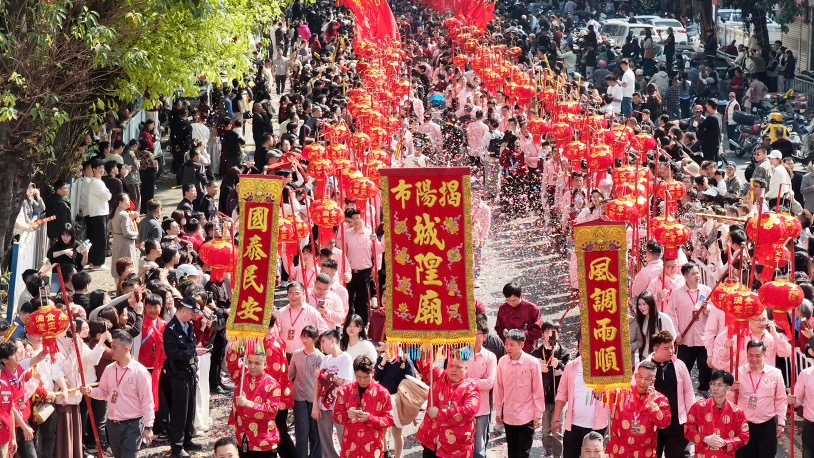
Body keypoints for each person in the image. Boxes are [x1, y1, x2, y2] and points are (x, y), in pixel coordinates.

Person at [81, 330, 154, 458]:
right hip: (113, 425)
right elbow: (103, 392)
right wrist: (90, 391)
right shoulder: (109, 369)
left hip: (133, 425)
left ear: (126, 349)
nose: (111, 350)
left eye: (114, 347)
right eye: (111, 346)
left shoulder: (140, 372)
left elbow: (147, 401)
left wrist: (148, 427)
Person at [163, 296, 209, 458]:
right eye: (192, 312)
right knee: (179, 410)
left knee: (190, 408)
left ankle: (187, 438)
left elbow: (190, 345)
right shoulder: (171, 329)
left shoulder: (188, 325)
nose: (194, 316)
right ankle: (177, 446)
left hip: (189, 370)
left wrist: (194, 364)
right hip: (178, 373)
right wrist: (193, 352)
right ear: (184, 310)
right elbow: (173, 353)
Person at [638, 331, 694, 458]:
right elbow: (636, 391)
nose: (671, 351)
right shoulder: (643, 367)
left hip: (676, 421)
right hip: (651, 421)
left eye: (672, 347)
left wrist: (691, 416)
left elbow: (688, 392)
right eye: (666, 348)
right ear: (656, 349)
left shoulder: (680, 365)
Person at [729, 340, 787, 458]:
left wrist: (781, 422)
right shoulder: (738, 373)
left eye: (757, 356)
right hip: (744, 425)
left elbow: (781, 399)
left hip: (767, 425)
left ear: (765, 355)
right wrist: (730, 389)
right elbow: (729, 401)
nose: (754, 359)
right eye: (750, 355)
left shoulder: (775, 374)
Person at [415, 355, 479, 457]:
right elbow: (424, 363)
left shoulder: (470, 387)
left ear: (466, 369)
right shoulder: (438, 376)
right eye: (451, 366)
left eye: (458, 367)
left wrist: (440, 414)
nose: (454, 370)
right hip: (432, 439)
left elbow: (469, 410)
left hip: (456, 447)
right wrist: (425, 348)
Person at [495, 329, 545, 458]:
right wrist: (498, 411)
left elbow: (538, 390)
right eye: (506, 344)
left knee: (523, 453)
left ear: (521, 345)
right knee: (512, 451)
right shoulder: (502, 362)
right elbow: (499, 388)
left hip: (526, 415)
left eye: (512, 345)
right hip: (509, 415)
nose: (508, 348)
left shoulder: (532, 363)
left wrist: (538, 414)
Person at [225, 342, 281, 458]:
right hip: (243, 437)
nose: (252, 366)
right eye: (250, 362)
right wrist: (234, 346)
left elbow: (271, 411)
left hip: (264, 442)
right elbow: (232, 364)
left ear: (265, 364)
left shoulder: (272, 384)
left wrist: (248, 404)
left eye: (257, 363)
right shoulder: (241, 377)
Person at [607, 361, 671, 458]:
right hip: (619, 452)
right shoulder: (622, 393)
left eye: (647, 379)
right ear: (635, 376)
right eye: (640, 377)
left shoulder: (660, 399)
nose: (642, 381)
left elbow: (664, 423)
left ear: (653, 380)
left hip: (644, 453)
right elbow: (602, 395)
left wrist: (652, 404)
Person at [332, 355, 394, 457]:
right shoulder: (345, 391)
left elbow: (389, 419)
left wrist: (371, 418)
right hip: (350, 448)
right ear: (354, 374)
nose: (362, 380)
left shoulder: (382, 393)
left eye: (366, 377)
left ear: (372, 372)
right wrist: (347, 415)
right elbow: (336, 417)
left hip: (373, 448)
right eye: (359, 377)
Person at [667, 262, 712, 396]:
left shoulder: (706, 291)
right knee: (684, 367)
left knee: (705, 367)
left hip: (703, 337)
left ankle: (704, 389)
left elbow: (713, 313)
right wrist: (676, 333)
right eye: (693, 274)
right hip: (685, 338)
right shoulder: (677, 293)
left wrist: (707, 309)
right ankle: (683, 391)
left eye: (698, 273)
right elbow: (670, 314)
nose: (697, 276)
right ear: (685, 276)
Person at [685, 370, 749, 457]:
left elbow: (744, 437)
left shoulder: (737, 412)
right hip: (703, 454)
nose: (715, 388)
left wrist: (725, 443)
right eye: (713, 384)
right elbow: (688, 430)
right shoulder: (698, 407)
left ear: (728, 388)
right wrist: (705, 439)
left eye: (719, 385)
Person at [313, 329, 353, 458]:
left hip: (340, 405)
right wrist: (315, 405)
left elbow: (341, 381)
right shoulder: (325, 359)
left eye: (323, 341)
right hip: (323, 404)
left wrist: (323, 374)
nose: (321, 345)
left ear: (333, 340)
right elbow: (318, 383)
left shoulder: (346, 358)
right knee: (326, 441)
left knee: (344, 439)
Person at [262, 311, 296, 458]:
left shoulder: (271, 345)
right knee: (279, 429)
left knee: (279, 430)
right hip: (279, 394)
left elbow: (273, 376)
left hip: (275, 397)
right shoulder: (276, 340)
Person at [532, 321, 567, 457]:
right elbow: (529, 373)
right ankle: (548, 451)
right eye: (547, 332)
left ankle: (557, 455)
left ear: (558, 334)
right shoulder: (536, 353)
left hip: (560, 398)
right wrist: (538, 369)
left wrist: (559, 365)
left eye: (553, 332)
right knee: (545, 430)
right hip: (543, 397)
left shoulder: (564, 352)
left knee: (557, 430)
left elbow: (569, 372)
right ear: (542, 335)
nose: (550, 335)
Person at [343, 208, 384, 325]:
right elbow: (343, 252)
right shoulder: (347, 234)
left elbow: (379, 250)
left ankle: (363, 324)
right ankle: (349, 324)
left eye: (357, 218)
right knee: (349, 299)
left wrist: (375, 241)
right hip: (350, 272)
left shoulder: (369, 233)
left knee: (363, 300)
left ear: (362, 219)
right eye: (353, 219)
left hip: (365, 272)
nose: (355, 221)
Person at [289, 326, 323, 458]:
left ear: (315, 339)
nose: (304, 340)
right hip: (299, 396)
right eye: (303, 337)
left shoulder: (320, 357)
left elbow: (322, 380)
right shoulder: (297, 354)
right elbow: (291, 373)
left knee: (315, 433)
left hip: (315, 398)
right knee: (301, 432)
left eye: (308, 337)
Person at [469, 316, 497, 458]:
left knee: (479, 448)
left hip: (481, 408)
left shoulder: (490, 357)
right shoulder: (459, 353)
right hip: (460, 407)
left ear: (484, 337)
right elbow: (453, 379)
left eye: (476, 333)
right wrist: (479, 381)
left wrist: (468, 382)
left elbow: (490, 383)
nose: (472, 336)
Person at [278, 282, 327, 358]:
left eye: (297, 293)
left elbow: (324, 331)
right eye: (291, 293)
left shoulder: (312, 312)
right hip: (285, 355)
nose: (294, 296)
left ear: (303, 294)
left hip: (305, 356)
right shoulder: (280, 313)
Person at [494, 282, 542, 353]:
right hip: (509, 350)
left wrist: (520, 334)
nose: (511, 303)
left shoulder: (532, 309)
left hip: (528, 350)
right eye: (508, 300)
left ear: (520, 295)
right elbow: (498, 327)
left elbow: (538, 332)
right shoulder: (503, 309)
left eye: (514, 300)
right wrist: (502, 331)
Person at [83, 159, 112, 269]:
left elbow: (108, 194)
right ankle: (97, 263)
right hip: (98, 213)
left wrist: (107, 193)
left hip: (100, 212)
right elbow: (107, 196)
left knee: (97, 238)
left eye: (103, 168)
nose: (102, 170)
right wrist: (107, 193)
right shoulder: (94, 182)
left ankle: (93, 262)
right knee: (100, 239)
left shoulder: (99, 181)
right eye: (99, 168)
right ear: (93, 169)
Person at [636, 291, 676, 358]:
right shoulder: (641, 320)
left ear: (651, 304)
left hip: (662, 357)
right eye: (639, 304)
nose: (641, 307)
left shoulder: (664, 318)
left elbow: (673, 337)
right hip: (645, 356)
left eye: (644, 304)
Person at [109, 193, 139, 280]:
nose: (129, 202)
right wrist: (137, 234)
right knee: (127, 264)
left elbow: (109, 226)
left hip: (117, 240)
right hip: (125, 243)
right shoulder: (124, 215)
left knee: (118, 264)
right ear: (120, 202)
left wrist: (116, 232)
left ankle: (119, 283)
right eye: (127, 200)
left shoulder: (115, 211)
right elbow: (127, 233)